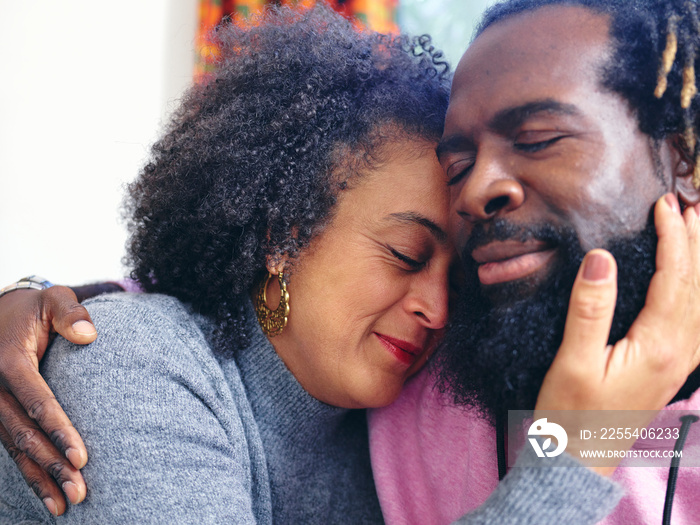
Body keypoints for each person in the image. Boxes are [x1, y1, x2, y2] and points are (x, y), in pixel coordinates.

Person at [0, 3, 640, 524]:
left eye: (458, 276)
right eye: (405, 254)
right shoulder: (127, 363)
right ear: (284, 233)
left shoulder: (396, 417)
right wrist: (569, 466)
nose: (438, 309)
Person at [368, 1, 700, 524]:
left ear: (681, 157)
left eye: (538, 140)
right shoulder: (404, 395)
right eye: (458, 166)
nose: (474, 191)